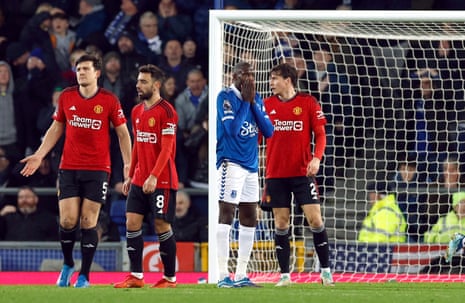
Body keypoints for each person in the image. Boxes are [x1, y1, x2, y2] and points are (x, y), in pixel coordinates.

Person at [19, 53, 132, 288]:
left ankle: (85, 275)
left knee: (88, 221)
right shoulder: (67, 96)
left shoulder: (109, 100)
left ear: (97, 73)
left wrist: (128, 164)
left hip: (98, 168)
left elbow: (123, 134)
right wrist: (39, 155)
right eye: (78, 69)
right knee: (68, 220)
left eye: (85, 68)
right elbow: (56, 127)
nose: (81, 72)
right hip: (69, 166)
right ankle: (68, 263)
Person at [261, 62, 334, 287]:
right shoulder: (266, 105)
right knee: (281, 223)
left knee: (315, 219)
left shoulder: (307, 102)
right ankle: (284, 275)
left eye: (275, 78)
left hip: (303, 174)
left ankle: (326, 272)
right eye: (271, 78)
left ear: (288, 80)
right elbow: (256, 137)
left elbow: (321, 135)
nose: (271, 82)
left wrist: (317, 158)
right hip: (275, 175)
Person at [113, 64, 179, 289]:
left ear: (156, 85)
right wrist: (130, 175)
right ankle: (136, 276)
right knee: (132, 222)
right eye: (138, 80)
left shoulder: (167, 111)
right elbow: (138, 146)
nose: (138, 85)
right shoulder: (136, 111)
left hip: (162, 180)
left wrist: (153, 176)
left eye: (143, 81)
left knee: (161, 225)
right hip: (140, 180)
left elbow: (167, 149)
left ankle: (170, 278)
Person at [215, 61, 274, 288]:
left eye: (251, 74)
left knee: (250, 216)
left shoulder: (256, 98)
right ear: (234, 76)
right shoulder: (225, 97)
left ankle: (241, 274)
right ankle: (222, 275)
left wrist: (253, 103)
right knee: (227, 213)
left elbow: (268, 131)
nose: (248, 78)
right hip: (231, 163)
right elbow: (232, 129)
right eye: (244, 75)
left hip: (251, 167)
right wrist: (247, 103)